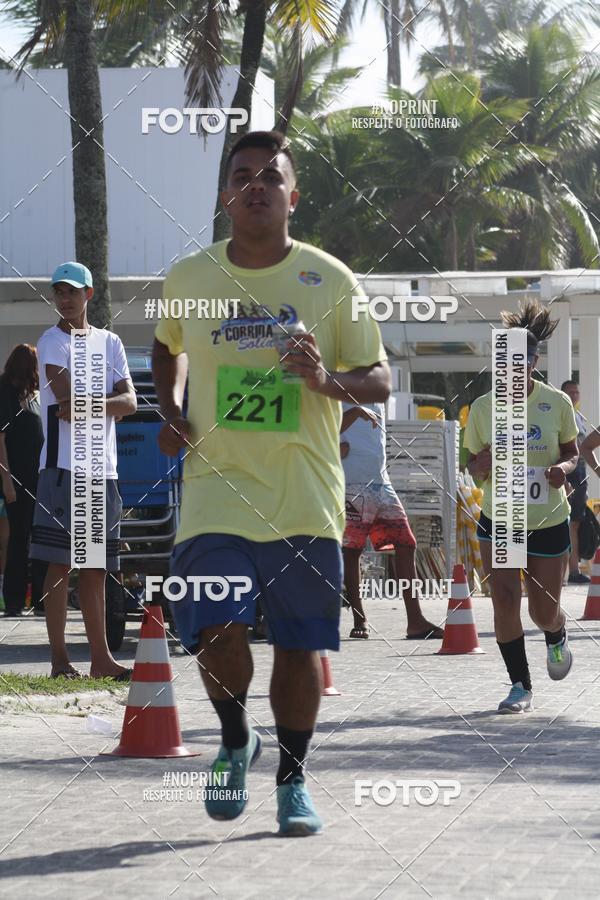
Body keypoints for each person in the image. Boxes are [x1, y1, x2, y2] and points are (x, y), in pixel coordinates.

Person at [152, 130, 390, 835]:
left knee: (297, 644)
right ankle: (233, 736)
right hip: (215, 489)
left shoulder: (329, 278)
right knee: (214, 626)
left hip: (304, 494)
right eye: (243, 174)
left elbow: (377, 380)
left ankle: (291, 780)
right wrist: (171, 410)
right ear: (227, 193)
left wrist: (324, 379)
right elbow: (166, 350)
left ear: (293, 195)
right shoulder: (190, 280)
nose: (256, 185)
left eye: (271, 176)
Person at [465, 300, 578, 714]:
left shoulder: (556, 403)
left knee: (542, 609)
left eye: (519, 362)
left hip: (548, 518)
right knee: (505, 599)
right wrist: (481, 463)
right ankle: (519, 685)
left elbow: (572, 453)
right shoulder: (482, 407)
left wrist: (561, 470)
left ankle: (556, 633)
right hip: (501, 518)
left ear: (534, 361)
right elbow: (472, 465)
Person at [30, 262, 137, 678]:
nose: (65, 298)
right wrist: (106, 403)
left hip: (101, 471)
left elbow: (130, 404)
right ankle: (59, 661)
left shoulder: (110, 342)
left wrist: (92, 404)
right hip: (61, 468)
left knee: (95, 567)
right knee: (60, 566)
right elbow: (67, 406)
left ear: (89, 294)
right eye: (58, 291)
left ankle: (101, 661)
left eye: (72, 291)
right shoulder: (51, 341)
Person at [340, 401, 443, 640]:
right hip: (350, 481)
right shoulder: (335, 381)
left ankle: (415, 620)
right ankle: (359, 618)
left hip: (380, 480)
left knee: (406, 543)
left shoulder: (374, 384)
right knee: (352, 550)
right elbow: (320, 429)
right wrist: (353, 414)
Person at [0, 344, 46, 617]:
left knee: (40, 537)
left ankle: (41, 598)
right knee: (18, 538)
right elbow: (1, 440)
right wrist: (7, 482)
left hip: (38, 477)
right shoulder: (6, 393)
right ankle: (15, 601)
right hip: (17, 478)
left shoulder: (34, 396)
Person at [561, 380, 590, 584]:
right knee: (566, 523)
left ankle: (573, 569)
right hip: (568, 474)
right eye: (569, 392)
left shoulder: (579, 417)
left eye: (576, 392)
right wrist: (563, 479)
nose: (574, 396)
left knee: (576, 523)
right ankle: (567, 571)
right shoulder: (560, 415)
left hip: (580, 474)